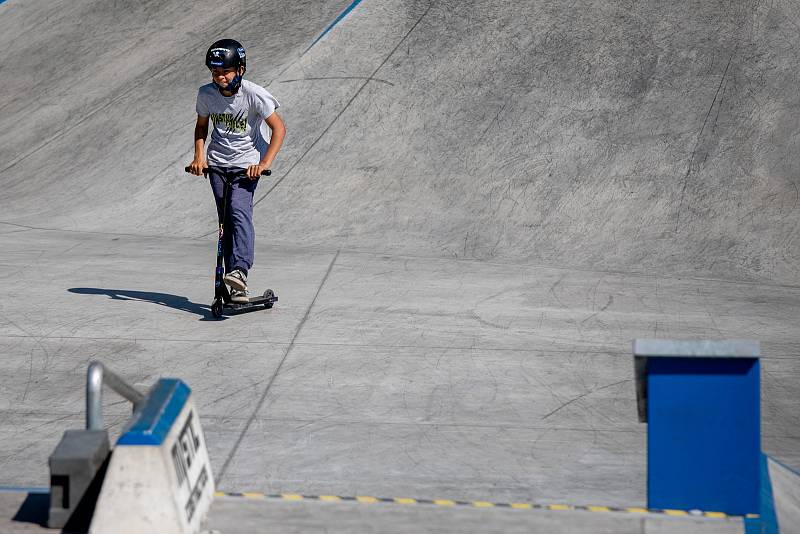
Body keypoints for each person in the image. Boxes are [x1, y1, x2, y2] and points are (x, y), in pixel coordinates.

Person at [188, 39, 285, 304]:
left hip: (246, 166)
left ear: (240, 69)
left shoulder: (254, 95)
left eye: (225, 72)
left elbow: (279, 129)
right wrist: (199, 157)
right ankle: (236, 287)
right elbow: (201, 127)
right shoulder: (206, 94)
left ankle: (240, 270)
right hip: (217, 164)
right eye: (215, 72)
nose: (219, 77)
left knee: (238, 212)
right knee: (225, 223)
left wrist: (264, 163)